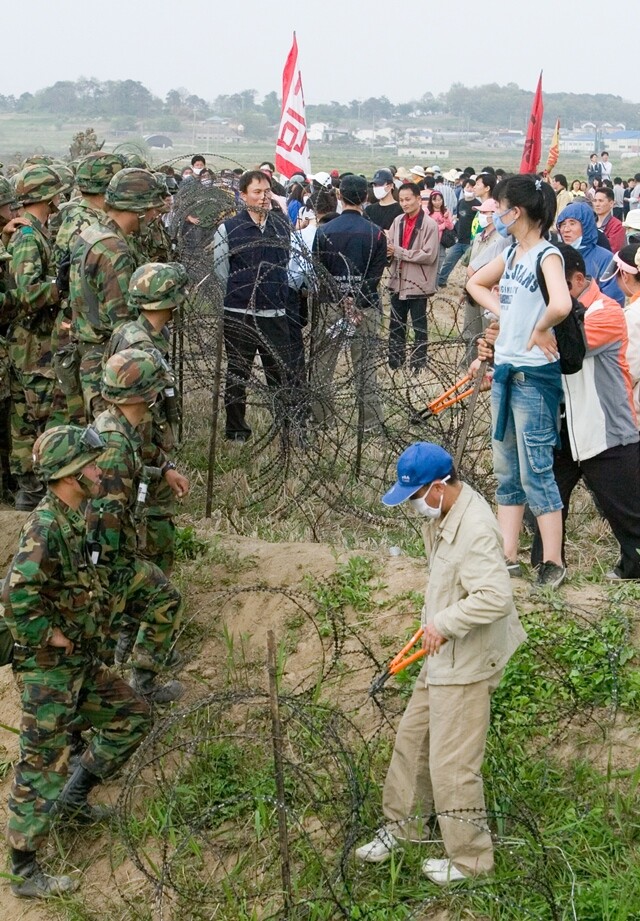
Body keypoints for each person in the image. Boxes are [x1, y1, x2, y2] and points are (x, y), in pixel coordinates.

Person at [355, 442, 526, 885]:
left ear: (437, 488)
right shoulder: (443, 513)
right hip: (442, 657)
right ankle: (401, 830)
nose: (413, 506)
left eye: (415, 497)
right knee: (412, 744)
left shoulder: (475, 529)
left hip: (468, 661)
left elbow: (496, 596)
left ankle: (471, 863)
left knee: (452, 765)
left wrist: (445, 623)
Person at [2, 423, 151, 899]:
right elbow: (15, 601)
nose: (96, 471)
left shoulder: (75, 517)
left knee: (132, 715)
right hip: (49, 672)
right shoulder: (44, 529)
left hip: (79, 667)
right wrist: (54, 636)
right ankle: (24, 870)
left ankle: (75, 797)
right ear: (69, 475)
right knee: (42, 762)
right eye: (88, 466)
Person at [466, 174, 572, 588]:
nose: (498, 214)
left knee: (536, 471)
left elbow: (561, 303)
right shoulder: (511, 254)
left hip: (533, 376)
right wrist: (508, 316)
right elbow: (475, 282)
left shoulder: (547, 255)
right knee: (507, 469)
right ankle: (507, 554)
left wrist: (542, 327)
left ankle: (553, 561)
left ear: (519, 211)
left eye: (502, 207)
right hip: (507, 371)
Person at [519, 244, 640, 580]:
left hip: (606, 432)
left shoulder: (607, 312)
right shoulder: (547, 319)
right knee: (545, 504)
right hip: (562, 430)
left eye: (553, 286)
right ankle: (548, 568)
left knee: (629, 515)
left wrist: (523, 333)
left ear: (575, 280)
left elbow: (566, 350)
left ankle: (633, 571)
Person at [89, 349, 184, 702]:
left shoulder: (113, 426)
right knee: (163, 596)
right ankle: (140, 688)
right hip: (104, 561)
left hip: (103, 557)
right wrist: (108, 579)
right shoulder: (115, 447)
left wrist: (162, 471)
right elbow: (103, 518)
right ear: (148, 394)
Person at [105, 263, 190, 574]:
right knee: (153, 526)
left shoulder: (129, 331)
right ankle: (152, 589)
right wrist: (162, 465)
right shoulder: (142, 348)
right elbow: (139, 419)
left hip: (134, 448)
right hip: (140, 454)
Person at [69, 168, 168, 420]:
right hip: (109, 358)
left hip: (91, 351)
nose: (156, 214)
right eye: (153, 208)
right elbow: (124, 323)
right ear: (139, 209)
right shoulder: (114, 249)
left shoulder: (93, 234)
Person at [212, 170, 292, 442]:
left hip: (274, 312)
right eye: (257, 192)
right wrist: (240, 294)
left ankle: (286, 426)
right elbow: (221, 271)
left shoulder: (281, 226)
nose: (263, 197)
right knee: (238, 374)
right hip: (239, 313)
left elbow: (288, 264)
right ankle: (236, 430)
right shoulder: (229, 229)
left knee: (279, 374)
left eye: (267, 191)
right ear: (243, 195)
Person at [7, 165, 69, 510]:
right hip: (33, 349)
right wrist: (57, 288)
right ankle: (30, 499)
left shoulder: (37, 232)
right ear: (49, 196)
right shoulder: (29, 238)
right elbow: (23, 295)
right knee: (34, 419)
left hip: (39, 346)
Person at [310, 173, 387, 431]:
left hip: (330, 304)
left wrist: (342, 298)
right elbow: (374, 276)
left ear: (339, 196)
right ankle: (371, 423)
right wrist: (355, 298)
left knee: (323, 367)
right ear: (365, 197)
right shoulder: (376, 234)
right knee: (365, 368)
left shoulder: (323, 232)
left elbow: (319, 272)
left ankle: (323, 420)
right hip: (365, 306)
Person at [386, 183, 439, 373]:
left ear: (418, 199)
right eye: (401, 200)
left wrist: (400, 252)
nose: (404, 203)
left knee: (419, 326)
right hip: (397, 281)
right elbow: (390, 247)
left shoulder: (429, 225)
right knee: (396, 324)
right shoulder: (398, 221)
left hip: (418, 283)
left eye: (408, 199)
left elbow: (428, 255)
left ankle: (418, 364)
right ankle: (395, 361)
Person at [556, 201, 625, 306]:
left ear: (586, 225)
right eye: (562, 224)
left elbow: (614, 299)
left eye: (572, 223)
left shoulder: (605, 258)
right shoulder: (556, 255)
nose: (566, 229)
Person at [437, 179, 479, 288]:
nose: (469, 189)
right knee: (448, 261)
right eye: (467, 187)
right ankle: (441, 281)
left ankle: (472, 286)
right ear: (463, 188)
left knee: (472, 266)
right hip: (459, 240)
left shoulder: (478, 205)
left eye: (472, 187)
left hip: (470, 241)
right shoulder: (461, 202)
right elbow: (458, 219)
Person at [426, 191, 454, 279]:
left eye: (439, 200)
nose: (438, 202)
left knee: (440, 262)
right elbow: (429, 227)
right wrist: (442, 226)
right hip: (429, 241)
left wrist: (446, 218)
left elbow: (450, 227)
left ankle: (435, 285)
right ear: (431, 201)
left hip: (442, 241)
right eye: (435, 200)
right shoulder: (427, 212)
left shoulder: (445, 211)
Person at [593, 187, 626, 254]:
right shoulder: (590, 223)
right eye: (595, 200)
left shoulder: (617, 226)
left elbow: (612, 250)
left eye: (600, 201)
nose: (597, 204)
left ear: (611, 203)